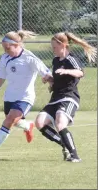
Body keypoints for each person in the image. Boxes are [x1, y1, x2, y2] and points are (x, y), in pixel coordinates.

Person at [0, 30, 52, 160]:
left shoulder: (30, 58)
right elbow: (0, 78)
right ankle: (28, 125)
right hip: (9, 97)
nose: (5, 51)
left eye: (7, 48)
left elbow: (46, 73)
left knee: (9, 120)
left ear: (17, 45)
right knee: (13, 121)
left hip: (25, 97)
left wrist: (50, 80)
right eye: (3, 48)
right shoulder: (4, 58)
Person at [35, 32, 97, 162]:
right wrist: (49, 79)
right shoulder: (56, 60)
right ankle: (64, 144)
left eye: (55, 47)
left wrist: (66, 71)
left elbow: (80, 72)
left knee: (60, 121)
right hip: (55, 98)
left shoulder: (71, 59)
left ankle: (75, 155)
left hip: (69, 97)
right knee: (39, 122)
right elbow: (57, 79)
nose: (53, 50)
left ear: (63, 45)